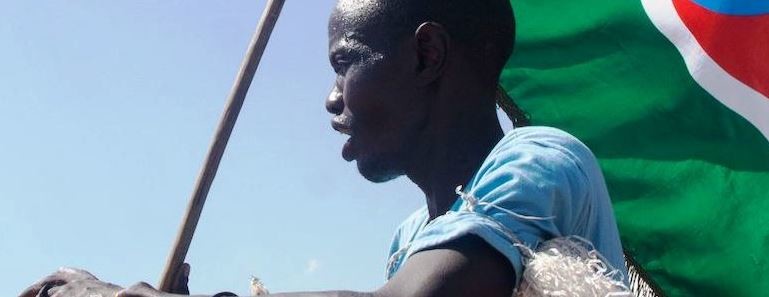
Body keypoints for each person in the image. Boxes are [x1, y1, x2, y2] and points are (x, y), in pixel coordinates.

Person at [20, 0, 627, 296]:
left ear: (427, 55)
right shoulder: (409, 240)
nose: (331, 99)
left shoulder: (542, 160)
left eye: (344, 65)